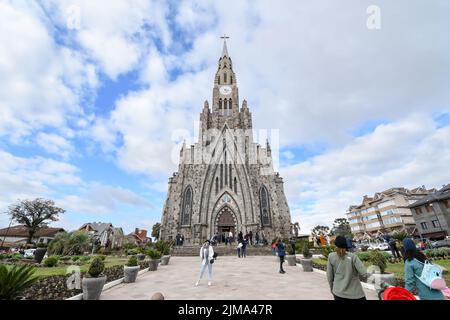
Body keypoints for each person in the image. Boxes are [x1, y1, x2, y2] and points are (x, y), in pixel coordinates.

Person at [326, 235, 367, 300]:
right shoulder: (353, 256)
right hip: (356, 294)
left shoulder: (331, 256)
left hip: (338, 293)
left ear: (336, 244)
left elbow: (329, 276)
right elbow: (364, 273)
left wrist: (332, 289)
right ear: (345, 244)